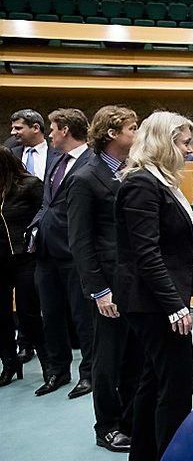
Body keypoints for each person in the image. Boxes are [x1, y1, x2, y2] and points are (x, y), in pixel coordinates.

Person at [115, 111, 193, 461]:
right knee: (178, 382)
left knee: (154, 379)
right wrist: (174, 305)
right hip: (153, 303)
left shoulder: (160, 181)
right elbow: (146, 253)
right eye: (183, 143)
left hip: (158, 299)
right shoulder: (141, 184)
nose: (188, 150)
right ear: (164, 143)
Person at [67, 105, 142, 453]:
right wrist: (100, 290)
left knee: (134, 356)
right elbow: (81, 242)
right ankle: (107, 426)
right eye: (132, 128)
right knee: (108, 359)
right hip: (108, 286)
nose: (137, 133)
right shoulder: (85, 178)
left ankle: (130, 419)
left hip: (134, 282)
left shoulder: (133, 171)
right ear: (111, 134)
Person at [30, 108, 95, 398]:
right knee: (51, 314)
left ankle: (90, 373)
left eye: (53, 129)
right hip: (45, 250)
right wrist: (36, 227)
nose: (51, 134)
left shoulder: (92, 162)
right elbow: (48, 202)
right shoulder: (55, 160)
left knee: (83, 317)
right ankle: (57, 370)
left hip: (74, 251)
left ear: (65, 130)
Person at [0, 147, 43, 386]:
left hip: (25, 258)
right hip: (0, 261)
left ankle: (50, 365)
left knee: (28, 313)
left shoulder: (29, 185)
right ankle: (9, 362)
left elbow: (44, 215)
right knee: (1, 317)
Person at [10, 109, 58, 182]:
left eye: (18, 128)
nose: (12, 132)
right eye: (13, 128)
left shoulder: (59, 153)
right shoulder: (11, 154)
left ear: (36, 128)